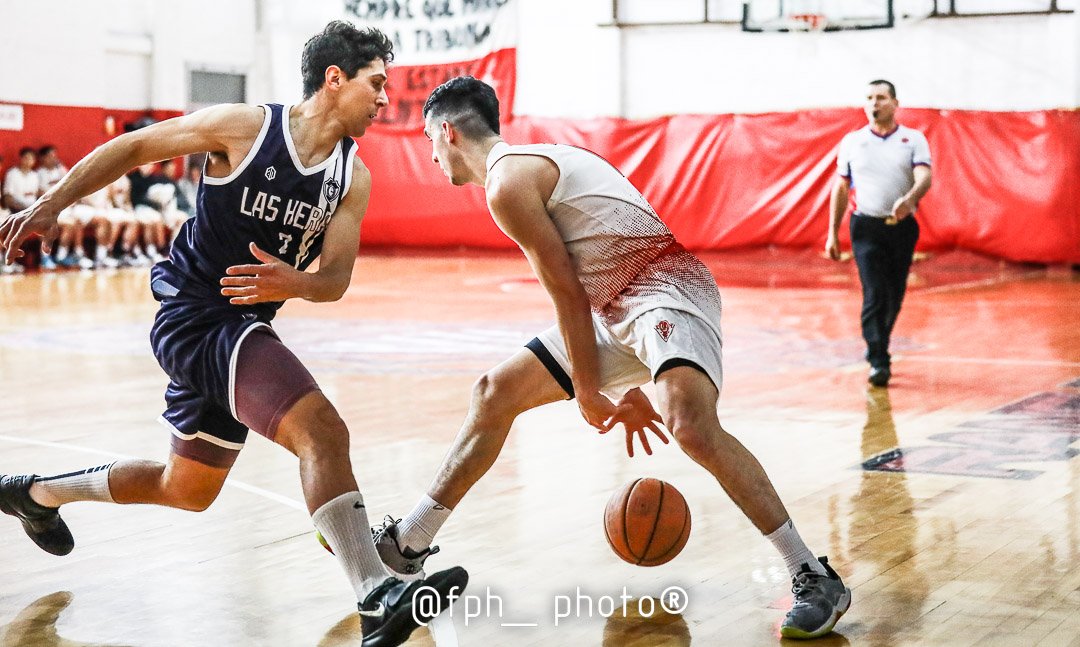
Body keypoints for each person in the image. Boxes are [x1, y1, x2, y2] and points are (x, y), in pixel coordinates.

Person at [0, 21, 466, 647]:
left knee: (186, 488)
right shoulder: (247, 127)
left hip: (245, 324)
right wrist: (54, 202)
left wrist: (293, 282)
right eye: (376, 84)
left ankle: (36, 494)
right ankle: (375, 594)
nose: (385, 99)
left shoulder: (352, 176)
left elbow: (333, 281)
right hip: (195, 314)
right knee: (322, 431)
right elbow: (134, 149)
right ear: (335, 79)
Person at [372, 76, 850, 640]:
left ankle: (811, 572)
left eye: (429, 140)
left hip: (665, 289)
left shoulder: (507, 182)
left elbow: (566, 292)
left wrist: (592, 392)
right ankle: (409, 545)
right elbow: (586, 283)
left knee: (691, 427)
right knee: (494, 393)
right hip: (617, 306)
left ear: (446, 131)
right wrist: (621, 379)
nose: (430, 155)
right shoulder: (529, 164)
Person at [825, 79, 932, 388]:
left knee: (893, 294)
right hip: (866, 226)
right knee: (874, 292)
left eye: (882, 98)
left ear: (895, 104)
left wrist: (910, 199)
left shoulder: (913, 140)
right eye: (870, 97)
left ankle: (880, 342)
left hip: (901, 228)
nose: (875, 103)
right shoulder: (852, 142)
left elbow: (925, 175)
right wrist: (833, 232)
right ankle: (878, 358)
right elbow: (842, 186)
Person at [2, 147, 39, 273]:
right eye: (27, 157)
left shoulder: (35, 176)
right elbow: (8, 199)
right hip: (17, 211)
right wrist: (25, 209)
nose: (29, 161)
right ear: (21, 159)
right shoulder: (12, 174)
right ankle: (5, 260)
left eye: (32, 158)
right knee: (11, 224)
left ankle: (46, 258)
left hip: (32, 212)